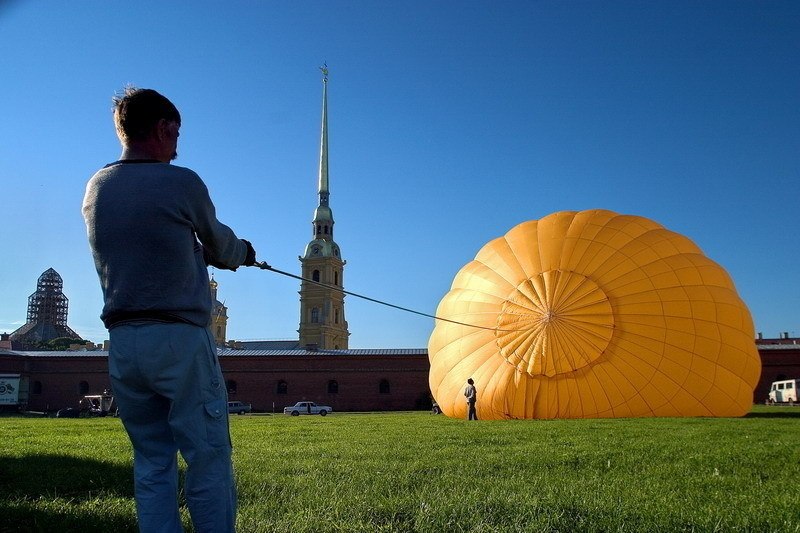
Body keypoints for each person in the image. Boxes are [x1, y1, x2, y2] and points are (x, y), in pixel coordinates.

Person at [82, 87, 256, 533]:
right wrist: (244, 252)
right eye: (176, 134)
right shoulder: (181, 182)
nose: (177, 146)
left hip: (123, 344)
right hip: (178, 339)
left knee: (152, 460)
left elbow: (145, 240)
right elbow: (222, 247)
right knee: (207, 456)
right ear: (162, 128)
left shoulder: (97, 187)